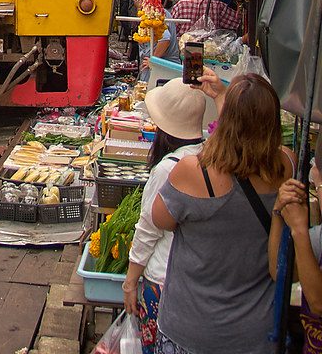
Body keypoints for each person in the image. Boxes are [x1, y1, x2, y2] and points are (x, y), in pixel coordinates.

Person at [152, 74, 294, 354]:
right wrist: (222, 97)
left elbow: (161, 220)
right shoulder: (285, 166)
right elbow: (248, 147)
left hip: (191, 329)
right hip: (255, 334)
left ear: (226, 121)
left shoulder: (193, 172)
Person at [124, 79, 212, 354]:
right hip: (199, 283)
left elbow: (148, 230)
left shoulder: (167, 170)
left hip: (164, 281)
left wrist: (130, 281)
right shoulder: (211, 156)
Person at [270, 163, 322, 352]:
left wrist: (299, 230)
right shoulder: (319, 237)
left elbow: (319, 303)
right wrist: (279, 212)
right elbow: (280, 272)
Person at [135, 0, 180, 82]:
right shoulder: (148, 15)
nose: (141, 3)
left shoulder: (159, 15)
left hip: (164, 72)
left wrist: (153, 60)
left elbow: (165, 38)